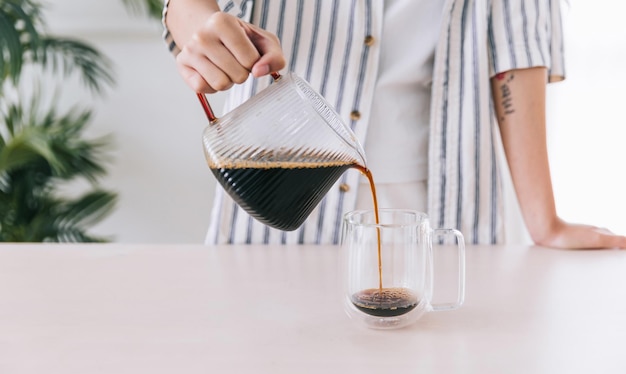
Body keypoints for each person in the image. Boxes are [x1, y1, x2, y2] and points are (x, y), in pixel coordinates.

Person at [162, 0, 626, 249]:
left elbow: (517, 49)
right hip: (276, 204)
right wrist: (205, 32)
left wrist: (544, 222)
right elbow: (188, 5)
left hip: (440, 212)